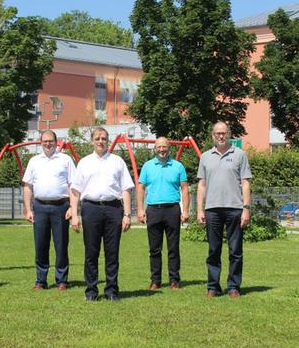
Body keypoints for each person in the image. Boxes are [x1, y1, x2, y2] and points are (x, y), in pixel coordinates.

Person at [70, 127, 134, 302]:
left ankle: (112, 291)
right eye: (97, 138)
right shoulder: (84, 162)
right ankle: (91, 291)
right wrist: (75, 215)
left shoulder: (117, 161)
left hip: (114, 209)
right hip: (90, 209)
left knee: (112, 252)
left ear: (108, 140)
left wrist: (127, 214)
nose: (100, 141)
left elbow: (126, 189)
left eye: (104, 138)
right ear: (92, 140)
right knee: (91, 252)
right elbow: (75, 191)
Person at [197, 121, 252, 298]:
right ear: (213, 136)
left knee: (235, 251)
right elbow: (201, 185)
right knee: (214, 250)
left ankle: (233, 286)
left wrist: (246, 208)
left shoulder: (240, 155)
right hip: (212, 209)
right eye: (217, 133)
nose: (221, 136)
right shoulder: (205, 156)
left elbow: (245, 182)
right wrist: (199, 210)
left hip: (235, 208)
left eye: (224, 133)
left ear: (229, 134)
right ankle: (213, 286)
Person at [22, 130, 76, 291]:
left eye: (50, 141)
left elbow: (73, 185)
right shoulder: (34, 161)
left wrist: (73, 207)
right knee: (40, 245)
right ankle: (41, 280)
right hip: (39, 207)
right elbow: (27, 186)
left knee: (61, 245)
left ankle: (62, 280)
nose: (48, 144)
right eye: (45, 141)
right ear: (40, 142)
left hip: (61, 206)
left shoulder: (65, 160)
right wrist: (27, 209)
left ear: (56, 141)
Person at [136, 137, 190, 290]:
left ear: (169, 148)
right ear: (155, 149)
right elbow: (140, 188)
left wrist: (185, 211)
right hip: (153, 210)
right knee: (154, 249)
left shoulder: (178, 166)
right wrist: (140, 210)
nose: (161, 150)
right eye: (159, 147)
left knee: (173, 247)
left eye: (164, 147)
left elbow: (185, 189)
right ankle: (155, 280)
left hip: (172, 210)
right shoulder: (147, 166)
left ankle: (174, 280)